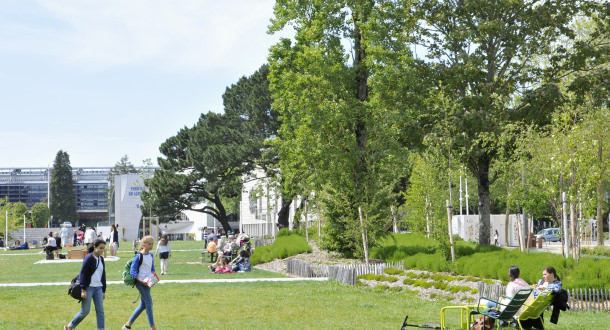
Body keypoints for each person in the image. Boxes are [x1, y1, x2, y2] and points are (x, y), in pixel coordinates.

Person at [64, 238, 107, 330]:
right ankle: (70, 326)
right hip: (88, 288)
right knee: (85, 311)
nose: (102, 250)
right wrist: (83, 289)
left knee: (100, 311)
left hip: (98, 288)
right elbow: (82, 274)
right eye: (100, 248)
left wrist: (103, 290)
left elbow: (103, 275)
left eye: (103, 248)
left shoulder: (101, 259)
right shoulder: (88, 258)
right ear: (95, 247)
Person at [123, 236, 157, 330]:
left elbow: (152, 268)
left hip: (148, 283)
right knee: (149, 304)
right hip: (140, 283)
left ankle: (127, 325)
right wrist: (142, 281)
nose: (151, 246)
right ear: (143, 244)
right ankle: (152, 327)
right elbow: (133, 272)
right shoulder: (138, 256)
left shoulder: (150, 255)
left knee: (143, 305)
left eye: (152, 244)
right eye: (149, 244)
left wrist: (153, 277)